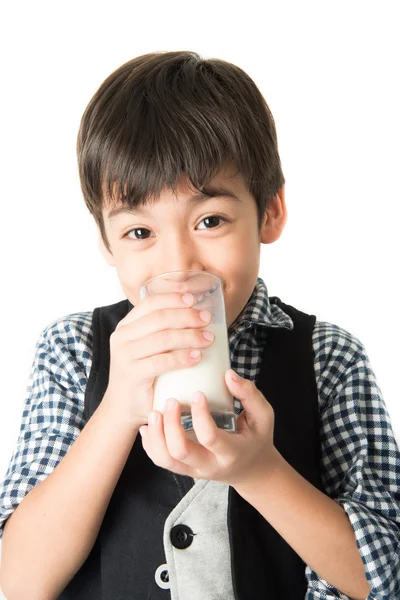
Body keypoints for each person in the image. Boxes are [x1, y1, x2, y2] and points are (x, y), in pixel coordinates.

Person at [0, 50, 399, 600]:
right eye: (140, 232)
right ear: (106, 241)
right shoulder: (74, 351)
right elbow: (16, 581)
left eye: (209, 220)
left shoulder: (326, 357)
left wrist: (261, 472)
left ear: (270, 212)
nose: (179, 266)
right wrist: (117, 408)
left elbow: (384, 575)